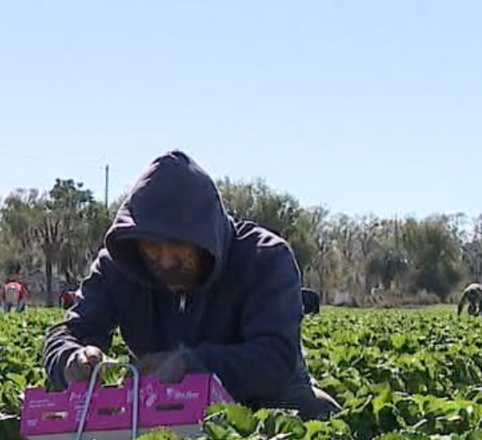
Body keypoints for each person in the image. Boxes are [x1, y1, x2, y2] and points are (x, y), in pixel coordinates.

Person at [42, 150, 340, 420]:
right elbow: (69, 332)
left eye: (179, 247)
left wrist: (190, 365)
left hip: (260, 404)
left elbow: (276, 359)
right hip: (159, 407)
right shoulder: (118, 266)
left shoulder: (265, 258)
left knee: (311, 409)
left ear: (206, 236)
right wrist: (72, 358)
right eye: (151, 248)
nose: (166, 261)